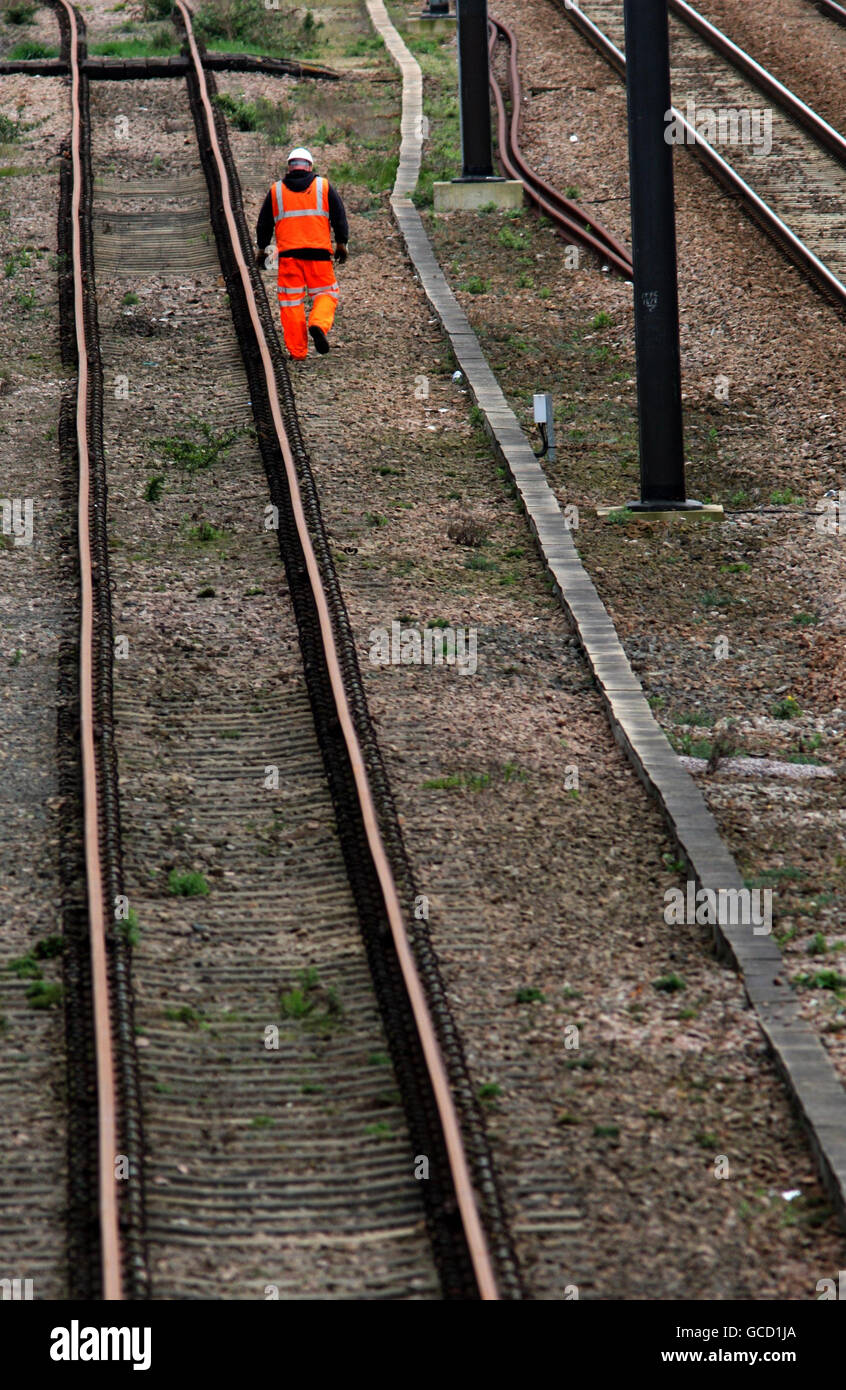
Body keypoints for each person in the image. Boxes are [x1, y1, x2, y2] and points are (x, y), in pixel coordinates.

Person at [254, 147, 349, 360]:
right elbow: (339, 216)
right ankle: (318, 324)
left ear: (289, 168)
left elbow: (264, 224)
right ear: (310, 167)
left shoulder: (276, 190)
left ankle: (297, 352)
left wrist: (262, 249)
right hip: (319, 255)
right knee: (326, 293)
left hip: (288, 257)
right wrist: (341, 243)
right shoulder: (323, 186)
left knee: (291, 302)